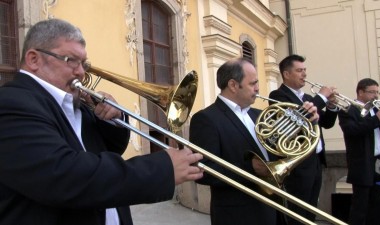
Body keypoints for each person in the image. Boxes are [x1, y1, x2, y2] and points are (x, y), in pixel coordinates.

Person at [0, 18, 203, 225]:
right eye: (71, 60)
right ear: (34, 59)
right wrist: (161, 169)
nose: (81, 71)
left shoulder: (74, 102)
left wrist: (113, 120)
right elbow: (65, 176)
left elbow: (110, 150)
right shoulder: (10, 103)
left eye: (84, 63)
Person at [189, 58, 319, 225]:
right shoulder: (206, 119)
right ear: (233, 85)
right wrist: (250, 168)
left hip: (274, 210)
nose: (258, 88)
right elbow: (202, 171)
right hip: (238, 215)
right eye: (253, 83)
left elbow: (281, 148)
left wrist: (306, 123)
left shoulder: (259, 115)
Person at [268, 54, 338, 224]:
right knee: (297, 211)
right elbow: (297, 118)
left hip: (316, 161)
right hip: (298, 165)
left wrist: (331, 106)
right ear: (286, 74)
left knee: (311, 208)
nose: (304, 74)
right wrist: (321, 97)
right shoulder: (278, 95)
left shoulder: (307, 98)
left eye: (305, 70)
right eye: (299, 70)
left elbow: (326, 124)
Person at [338, 78, 380, 225]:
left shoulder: (377, 109)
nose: (376, 96)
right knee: (360, 209)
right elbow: (353, 131)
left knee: (379, 207)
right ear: (360, 92)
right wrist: (376, 119)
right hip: (362, 164)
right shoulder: (348, 110)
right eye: (372, 92)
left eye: (377, 92)